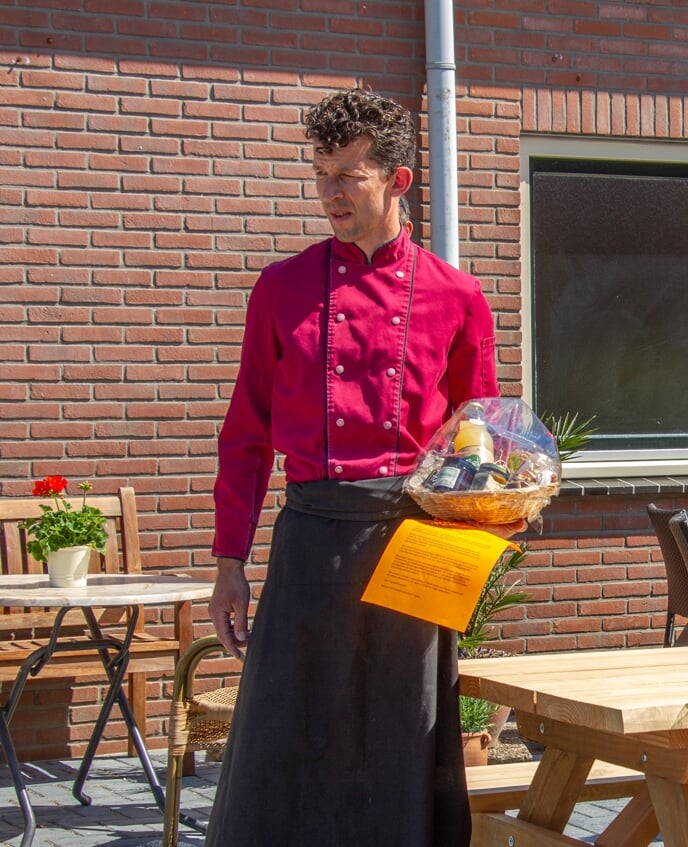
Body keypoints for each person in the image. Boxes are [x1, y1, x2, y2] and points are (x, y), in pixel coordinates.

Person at [206, 88, 521, 847]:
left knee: (400, 736)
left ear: (398, 180)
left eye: (348, 175)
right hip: (312, 534)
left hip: (414, 540)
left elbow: (476, 442)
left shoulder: (458, 295)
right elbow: (245, 435)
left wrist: (488, 527)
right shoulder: (280, 288)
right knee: (289, 731)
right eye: (321, 175)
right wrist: (228, 563)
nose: (330, 194)